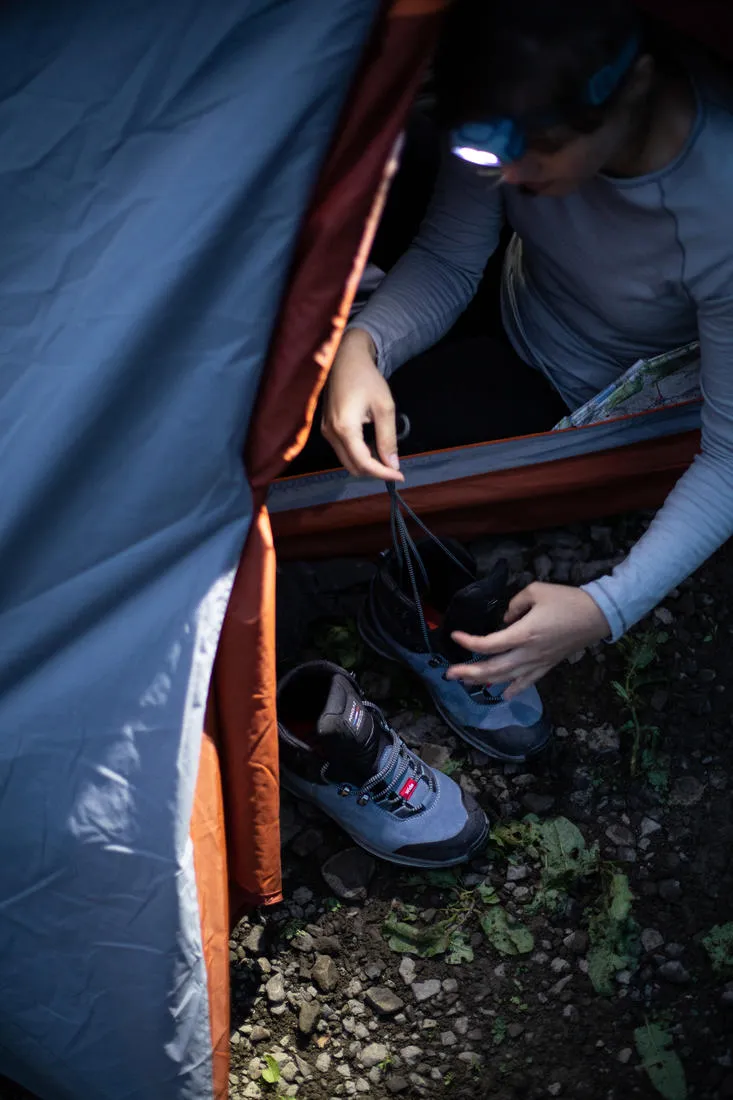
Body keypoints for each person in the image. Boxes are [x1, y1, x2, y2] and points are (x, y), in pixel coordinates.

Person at [318, 0, 733, 701]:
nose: (506, 176)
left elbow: (726, 457)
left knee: (327, 454)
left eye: (533, 157)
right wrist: (362, 347)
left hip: (559, 376)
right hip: (512, 279)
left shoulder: (717, 209)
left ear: (628, 89)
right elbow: (452, 256)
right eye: (489, 155)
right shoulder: (512, 105)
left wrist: (604, 608)